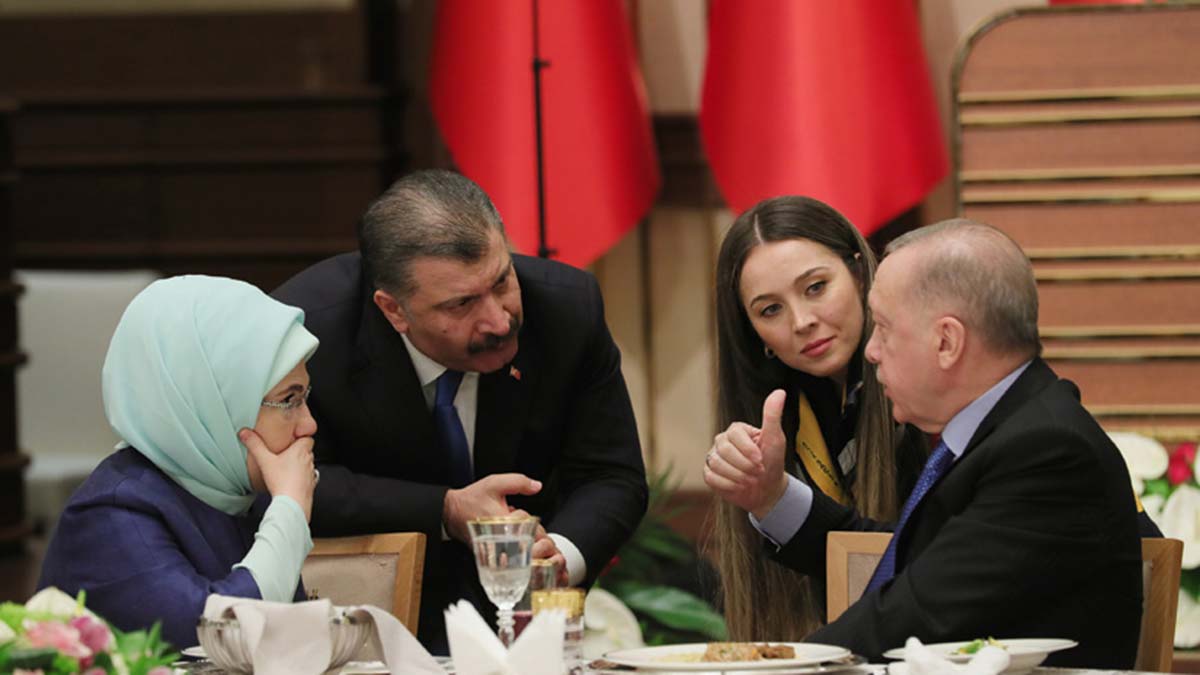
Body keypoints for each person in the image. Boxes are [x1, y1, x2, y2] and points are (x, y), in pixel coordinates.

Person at [720, 219, 1145, 667]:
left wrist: (772, 667)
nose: (872, 351)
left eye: (884, 328)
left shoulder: (1046, 451)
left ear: (947, 342)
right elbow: (916, 565)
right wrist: (772, 499)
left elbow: (915, 612)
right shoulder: (1005, 432)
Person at [272, 169, 648, 651]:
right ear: (393, 310)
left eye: (502, 281)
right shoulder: (307, 334)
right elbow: (291, 482)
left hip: (527, 624)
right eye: (462, 304)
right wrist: (446, 509)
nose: (499, 320)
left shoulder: (567, 310)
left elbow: (611, 474)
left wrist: (556, 557)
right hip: (365, 624)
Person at [39, 276, 321, 649]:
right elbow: (211, 642)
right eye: (288, 400)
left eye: (304, 396)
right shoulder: (112, 513)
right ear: (210, 402)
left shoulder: (239, 495)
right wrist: (289, 515)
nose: (309, 424)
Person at [704, 196, 926, 641]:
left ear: (859, 273)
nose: (802, 321)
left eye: (816, 287)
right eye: (770, 310)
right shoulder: (776, 414)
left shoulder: (928, 394)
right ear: (753, 332)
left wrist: (778, 501)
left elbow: (932, 563)